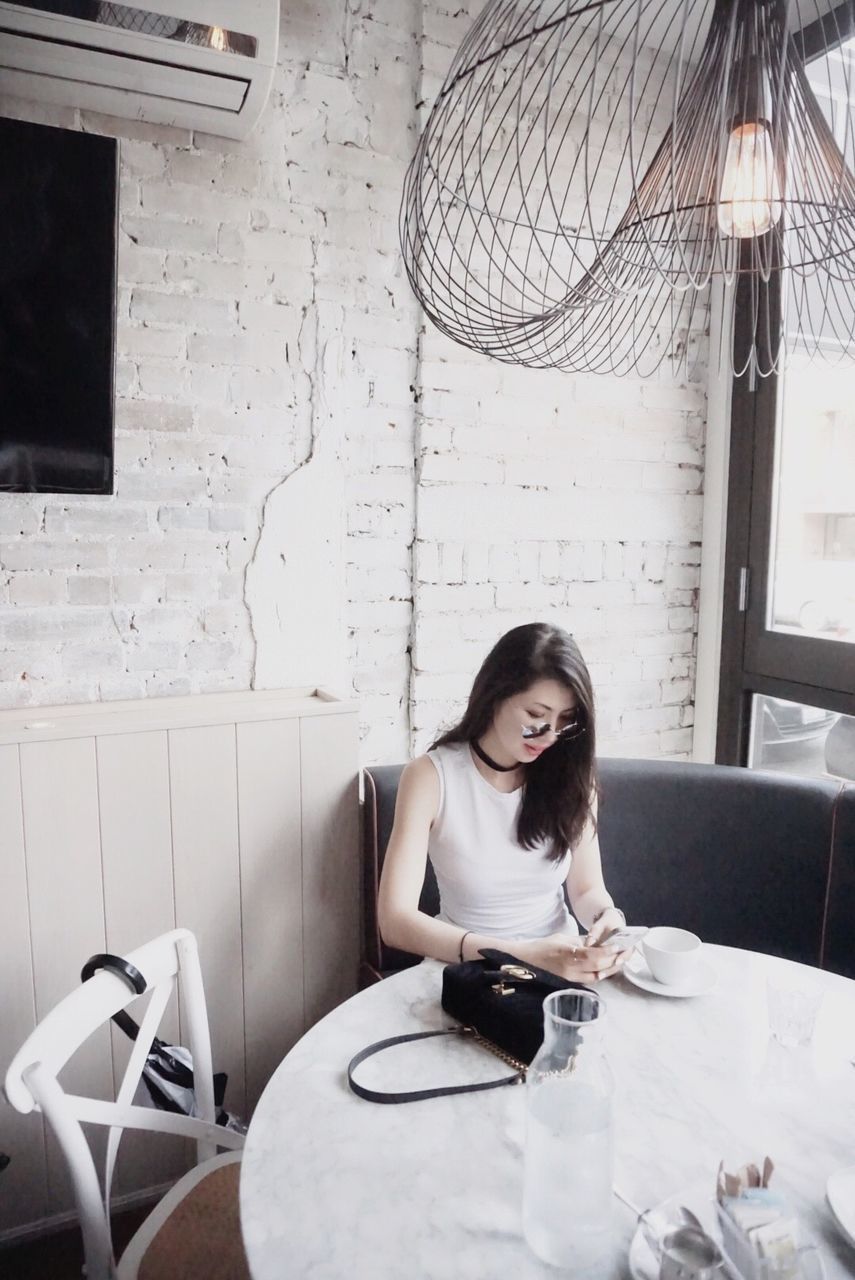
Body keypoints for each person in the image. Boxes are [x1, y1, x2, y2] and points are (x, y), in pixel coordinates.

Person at [378, 622, 631, 984]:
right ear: (496, 693)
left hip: (561, 966)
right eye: (535, 716)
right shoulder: (431, 778)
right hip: (467, 970)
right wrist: (517, 955)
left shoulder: (570, 776)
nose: (548, 735)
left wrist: (607, 917)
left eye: (564, 721)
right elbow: (395, 921)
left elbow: (587, 889)